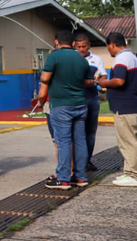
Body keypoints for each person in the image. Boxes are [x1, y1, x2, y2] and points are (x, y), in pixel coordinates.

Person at [38, 30, 93, 190]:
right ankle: (80, 177)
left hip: (61, 105)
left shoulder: (54, 56)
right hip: (81, 104)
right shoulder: (82, 59)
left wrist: (41, 99)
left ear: (57, 42)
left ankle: (63, 179)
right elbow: (85, 81)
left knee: (63, 141)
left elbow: (45, 79)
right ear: (74, 43)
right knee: (80, 141)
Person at [98, 31, 137, 187]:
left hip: (125, 107)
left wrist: (104, 82)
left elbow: (119, 81)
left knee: (128, 141)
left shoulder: (121, 58)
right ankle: (129, 172)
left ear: (112, 44)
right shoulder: (132, 57)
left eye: (108, 47)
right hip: (131, 104)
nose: (109, 50)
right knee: (129, 140)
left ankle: (134, 176)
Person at [75, 32, 107, 171]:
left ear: (89, 45)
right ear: (74, 46)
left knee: (91, 131)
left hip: (92, 98)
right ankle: (77, 162)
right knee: (78, 131)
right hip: (77, 99)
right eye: (79, 46)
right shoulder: (73, 59)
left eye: (84, 46)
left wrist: (95, 81)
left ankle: (87, 160)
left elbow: (103, 77)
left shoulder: (97, 59)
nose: (82, 49)